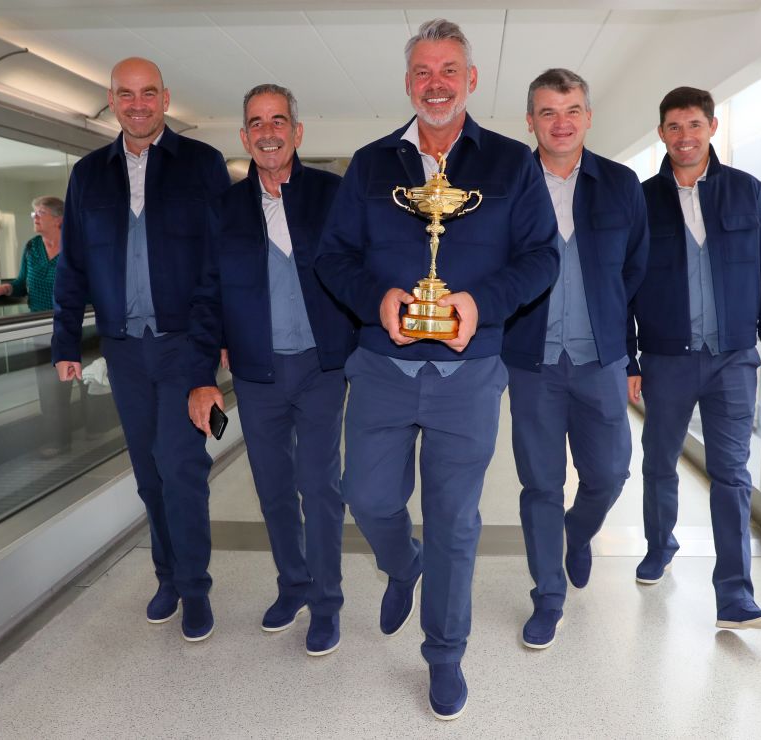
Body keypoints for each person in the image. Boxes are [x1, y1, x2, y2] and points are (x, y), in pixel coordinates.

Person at [315, 19, 558, 721]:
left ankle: (444, 654)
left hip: (469, 375)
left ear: (472, 80)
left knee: (454, 520)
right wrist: (379, 297)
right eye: (423, 71)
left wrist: (483, 304)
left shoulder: (513, 165)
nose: (436, 84)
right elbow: (334, 259)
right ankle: (400, 563)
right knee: (369, 498)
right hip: (383, 367)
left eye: (449, 70)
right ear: (408, 83)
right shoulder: (368, 166)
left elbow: (541, 256)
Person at [51, 57, 231, 642]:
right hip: (124, 352)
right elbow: (73, 265)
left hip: (184, 348)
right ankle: (169, 578)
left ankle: (196, 588)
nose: (137, 104)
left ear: (165, 97)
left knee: (181, 468)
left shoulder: (201, 166)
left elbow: (218, 264)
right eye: (125, 94)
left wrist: (215, 344)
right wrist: (65, 340)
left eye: (148, 93)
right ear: (111, 99)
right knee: (149, 475)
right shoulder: (88, 176)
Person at [187, 84, 354, 657]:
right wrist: (204, 371)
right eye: (256, 122)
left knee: (319, 484)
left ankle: (327, 601)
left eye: (278, 119)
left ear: (297, 132)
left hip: (321, 367)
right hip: (256, 374)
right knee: (275, 489)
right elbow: (207, 298)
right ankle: (294, 584)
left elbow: (360, 272)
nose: (268, 131)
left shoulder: (332, 195)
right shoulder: (225, 211)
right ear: (244, 137)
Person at [501, 69, 648, 649]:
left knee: (610, 472)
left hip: (601, 359)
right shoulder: (512, 184)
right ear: (530, 120)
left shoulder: (621, 184)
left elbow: (633, 270)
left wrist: (625, 343)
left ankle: (577, 533)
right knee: (539, 483)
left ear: (588, 116)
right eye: (546, 112)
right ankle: (548, 596)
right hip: (531, 361)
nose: (560, 123)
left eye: (571, 111)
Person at [632, 86, 761, 630]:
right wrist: (631, 362)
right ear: (662, 135)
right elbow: (624, 284)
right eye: (674, 127)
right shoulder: (643, 199)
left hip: (733, 359)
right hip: (666, 358)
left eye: (694, 125)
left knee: (732, 473)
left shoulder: (747, 192)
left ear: (712, 128)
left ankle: (735, 596)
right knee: (658, 461)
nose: (685, 137)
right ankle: (659, 544)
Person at [0, 196, 73, 457]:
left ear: (59, 219)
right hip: (39, 327)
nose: (35, 218)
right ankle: (58, 440)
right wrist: (5, 288)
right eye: (34, 214)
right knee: (48, 386)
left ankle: (93, 429)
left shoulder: (76, 246)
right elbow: (20, 282)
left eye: (40, 213)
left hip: (73, 324)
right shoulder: (32, 247)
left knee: (82, 381)